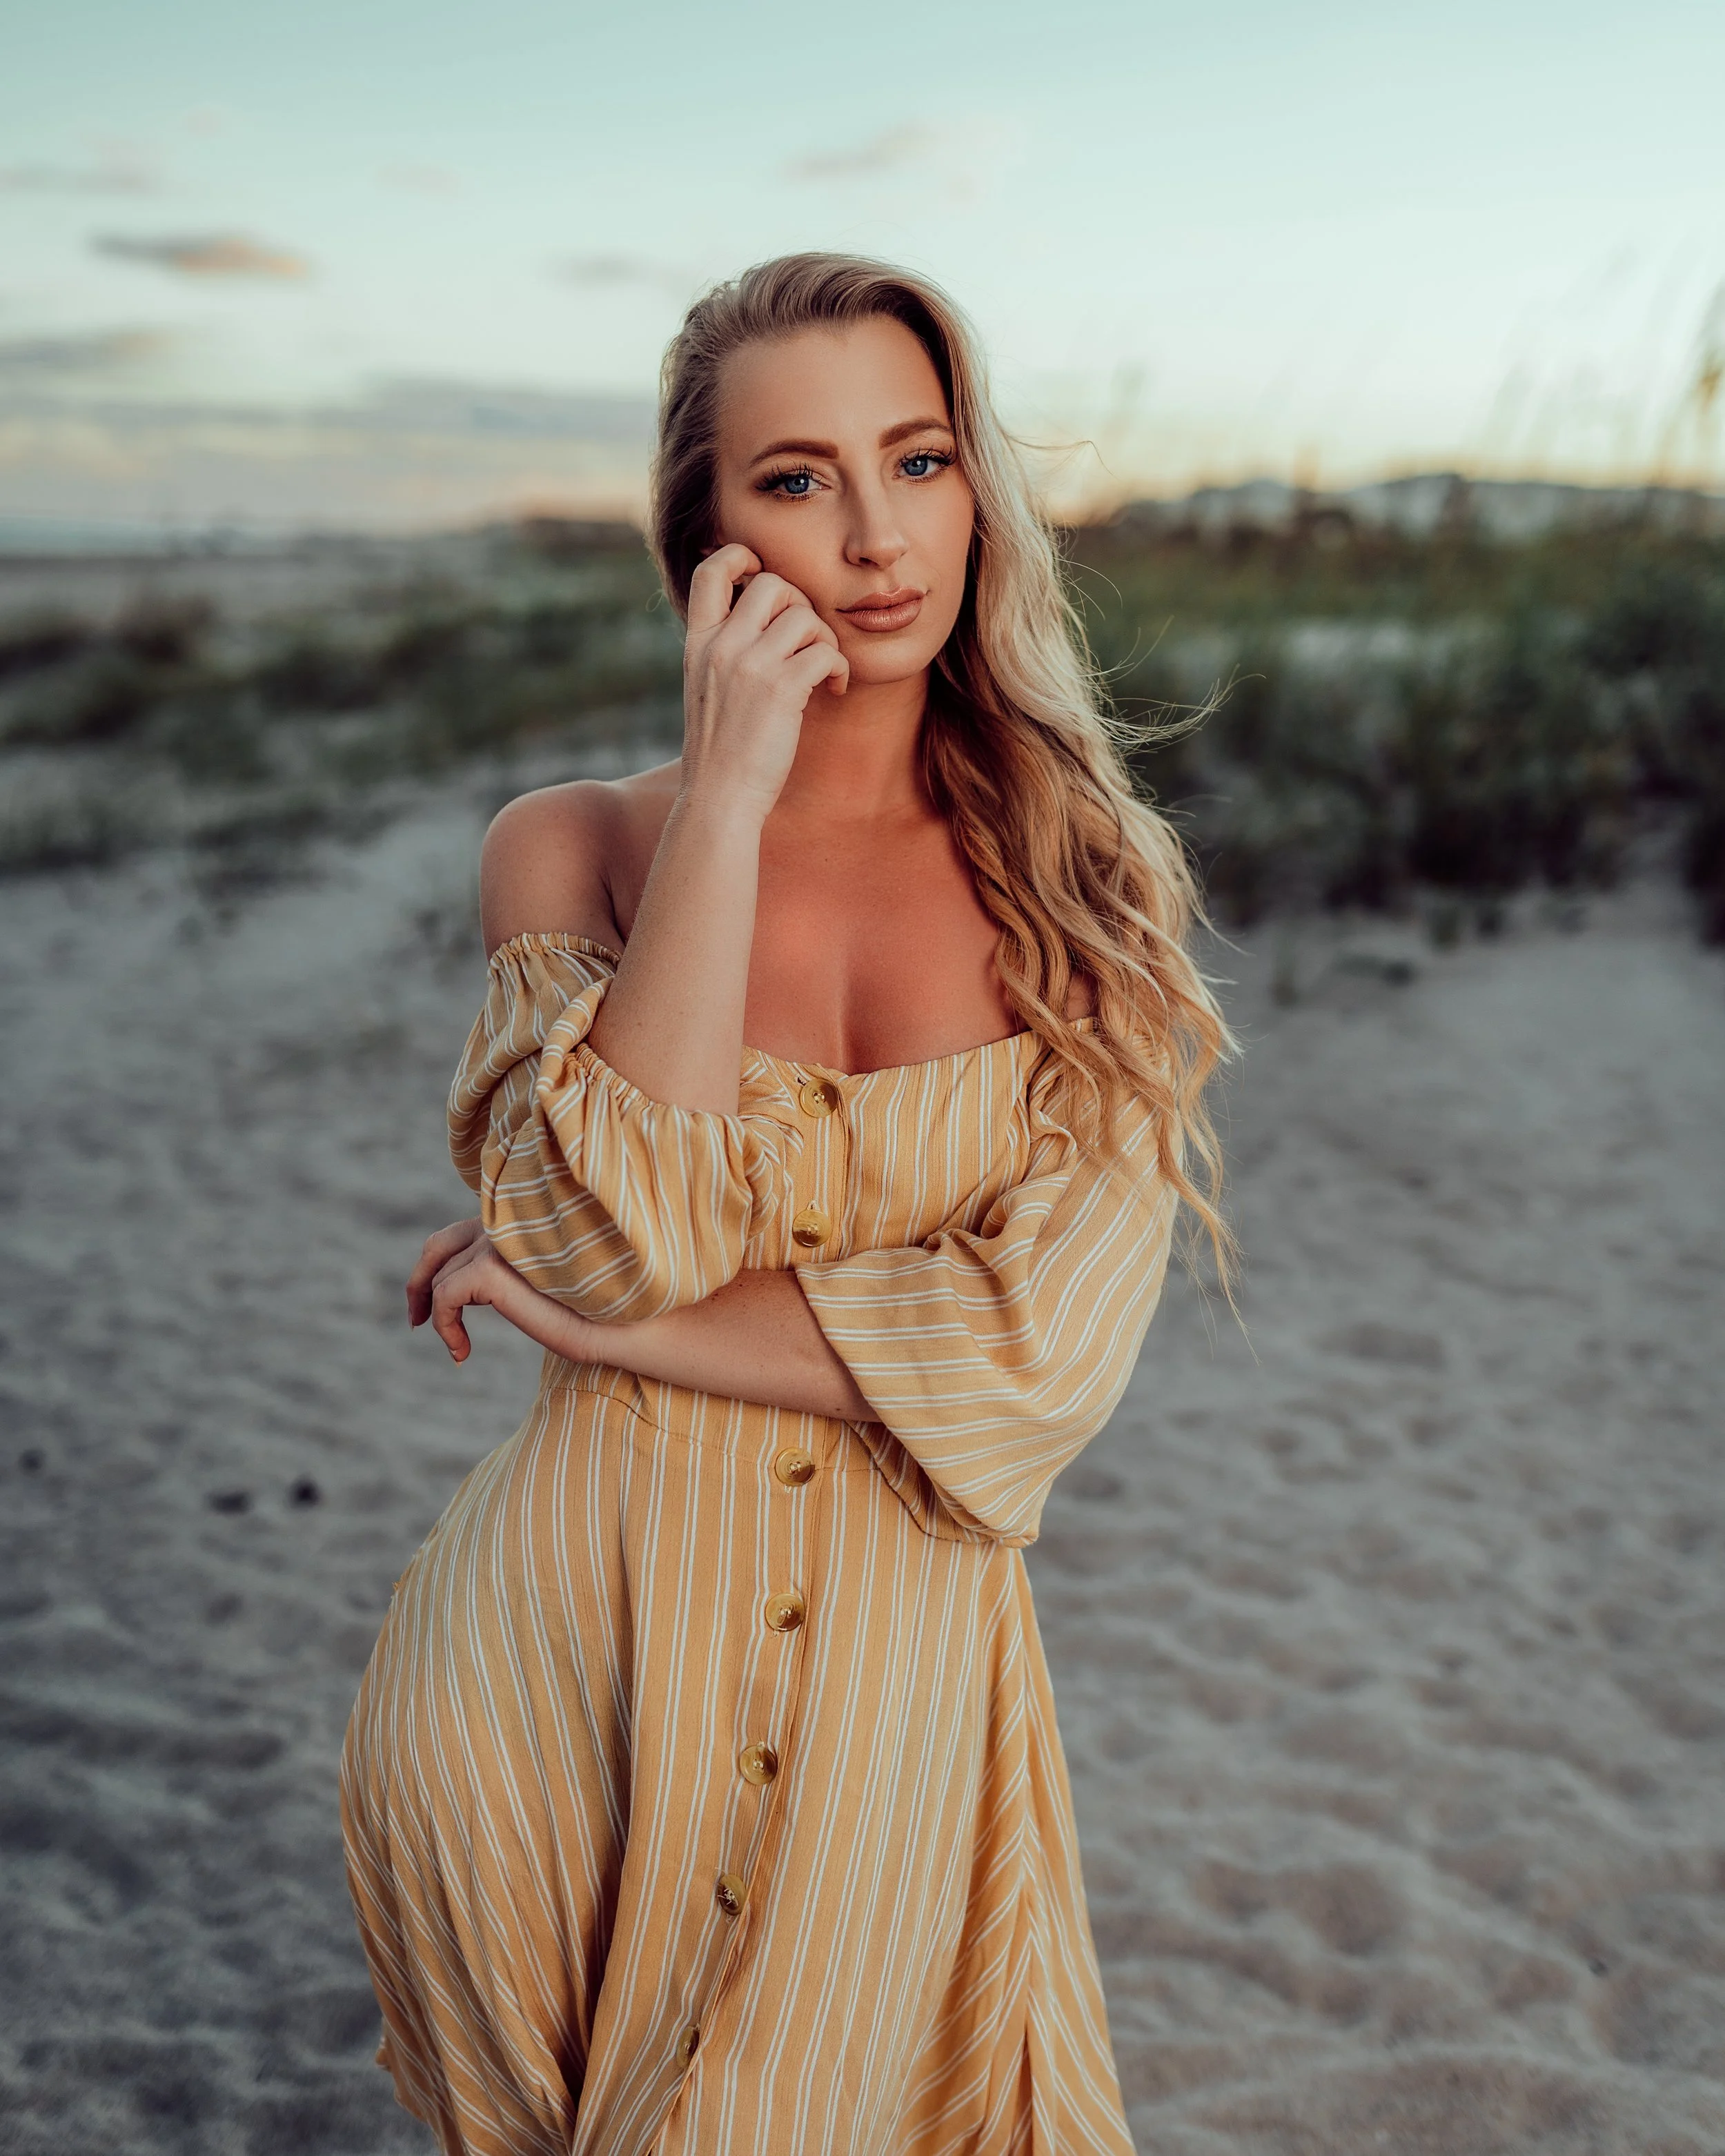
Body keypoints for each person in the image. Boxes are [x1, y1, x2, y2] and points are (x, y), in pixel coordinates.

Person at [340, 251, 1231, 2156]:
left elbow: (1035, 1355)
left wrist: (619, 1335)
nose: (871, 537)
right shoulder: (569, 846)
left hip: (895, 1702)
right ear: (699, 546)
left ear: (973, 492)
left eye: (913, 461)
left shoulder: (1088, 888)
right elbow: (604, 1228)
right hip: (545, 1683)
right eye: (794, 479)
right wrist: (727, 797)